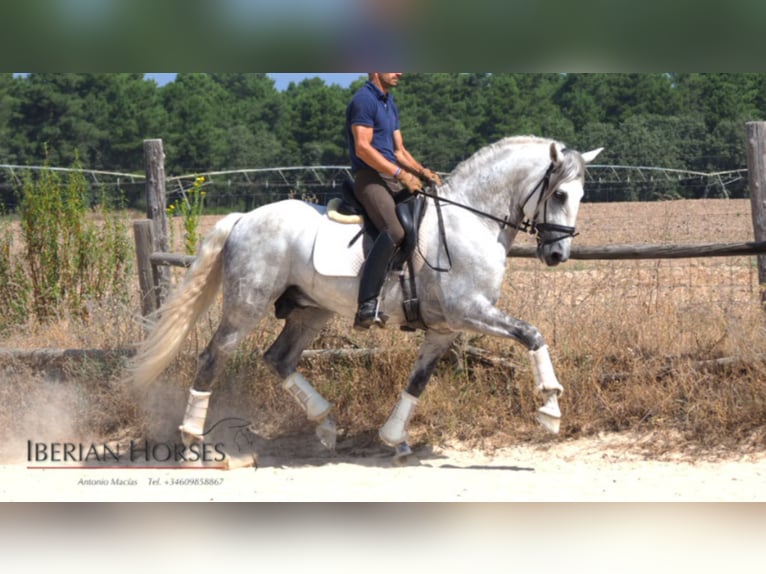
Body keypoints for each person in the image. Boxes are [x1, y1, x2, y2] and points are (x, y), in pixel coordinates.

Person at [345, 72, 442, 329]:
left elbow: (399, 151)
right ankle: (366, 303)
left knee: (423, 223)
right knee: (395, 230)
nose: (399, 72)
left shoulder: (389, 102)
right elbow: (363, 148)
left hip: (390, 178)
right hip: (370, 178)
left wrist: (422, 172)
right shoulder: (364, 100)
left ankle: (411, 297)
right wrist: (401, 174)